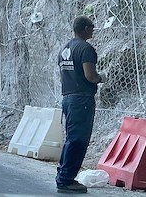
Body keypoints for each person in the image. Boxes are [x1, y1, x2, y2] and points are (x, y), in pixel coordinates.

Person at [56, 16, 103, 194]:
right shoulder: (85, 48)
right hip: (82, 99)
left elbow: (63, 76)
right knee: (78, 140)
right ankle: (66, 180)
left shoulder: (64, 49)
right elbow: (90, 75)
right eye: (91, 26)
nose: (93, 29)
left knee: (71, 138)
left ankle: (63, 174)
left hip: (68, 98)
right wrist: (101, 78)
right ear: (84, 28)